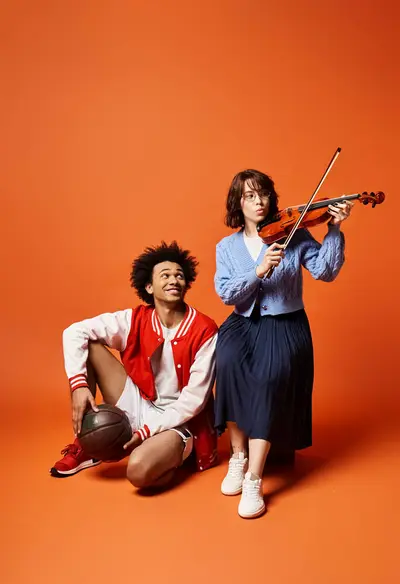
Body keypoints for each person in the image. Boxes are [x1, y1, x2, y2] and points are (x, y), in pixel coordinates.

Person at [214, 169, 352, 518]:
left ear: (271, 198)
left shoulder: (295, 232)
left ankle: (254, 479)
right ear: (238, 203)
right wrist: (257, 271)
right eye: (249, 196)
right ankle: (238, 455)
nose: (258, 201)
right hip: (243, 325)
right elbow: (226, 293)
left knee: (269, 379)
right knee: (226, 362)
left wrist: (334, 229)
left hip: (285, 324)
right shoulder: (226, 247)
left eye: (262, 194)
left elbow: (326, 270)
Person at [50, 241, 219, 489]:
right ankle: (87, 444)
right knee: (90, 345)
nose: (174, 280)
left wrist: (149, 431)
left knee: (138, 472)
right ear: (149, 286)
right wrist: (78, 386)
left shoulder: (204, 329)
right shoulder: (135, 319)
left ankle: (170, 456)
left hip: (178, 420)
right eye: (165, 275)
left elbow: (194, 400)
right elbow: (74, 332)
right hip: (138, 401)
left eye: (179, 276)